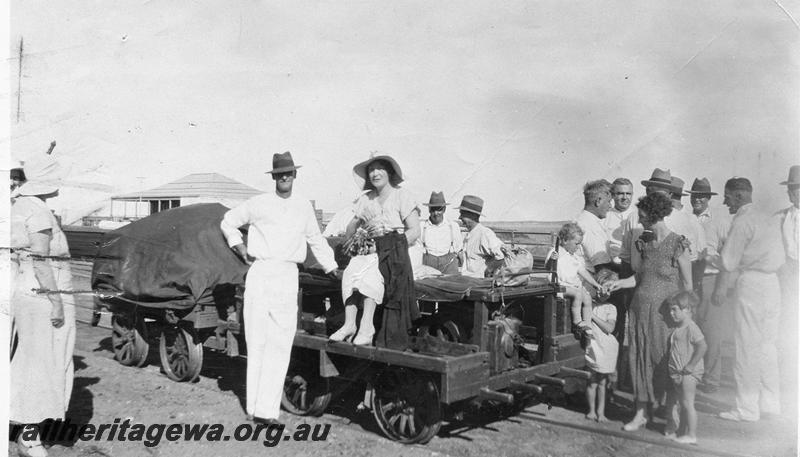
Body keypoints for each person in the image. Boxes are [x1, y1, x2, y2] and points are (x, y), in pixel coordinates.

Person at [220, 151, 339, 423]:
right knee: (257, 340)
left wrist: (332, 268)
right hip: (261, 272)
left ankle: (267, 411)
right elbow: (228, 221)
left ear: (295, 174)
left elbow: (316, 239)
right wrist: (238, 247)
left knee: (280, 344)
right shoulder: (259, 203)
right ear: (273, 177)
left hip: (287, 275)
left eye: (288, 172)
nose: (284, 177)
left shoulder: (303, 206)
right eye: (278, 173)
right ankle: (254, 407)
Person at [606, 192, 692, 432]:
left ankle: (670, 413)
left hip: (665, 318)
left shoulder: (678, 244)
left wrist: (685, 320)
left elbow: (688, 286)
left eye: (643, 217)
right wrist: (619, 283)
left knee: (666, 364)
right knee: (640, 362)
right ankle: (641, 413)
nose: (640, 221)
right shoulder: (646, 243)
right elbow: (640, 277)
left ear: (654, 215)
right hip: (639, 313)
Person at [10, 178, 75, 457]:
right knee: (46, 362)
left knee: (32, 359)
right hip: (46, 292)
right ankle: (29, 438)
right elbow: (40, 260)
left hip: (27, 289)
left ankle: (28, 430)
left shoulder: (21, 205)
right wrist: (56, 302)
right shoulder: (37, 211)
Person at [330, 153, 421, 348]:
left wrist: (393, 244)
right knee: (351, 272)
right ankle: (349, 324)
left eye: (379, 168)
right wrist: (358, 220)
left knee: (371, 275)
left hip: (399, 252)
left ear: (389, 172)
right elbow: (349, 233)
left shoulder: (402, 196)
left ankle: (366, 327)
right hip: (372, 250)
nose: (375, 173)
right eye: (371, 169)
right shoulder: (366, 199)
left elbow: (415, 231)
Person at [717, 177, 784, 422]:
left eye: (728, 196)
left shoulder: (743, 221)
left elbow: (728, 262)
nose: (725, 202)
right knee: (768, 345)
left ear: (739, 195)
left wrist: (716, 253)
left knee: (746, 345)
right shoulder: (770, 218)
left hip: (752, 283)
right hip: (773, 283)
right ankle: (770, 404)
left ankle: (746, 409)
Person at [686, 177, 732, 394]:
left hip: (710, 280)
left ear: (709, 199)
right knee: (690, 328)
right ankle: (692, 374)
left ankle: (712, 380)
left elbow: (729, 254)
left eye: (702, 196)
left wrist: (723, 284)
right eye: (695, 195)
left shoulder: (719, 221)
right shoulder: (684, 219)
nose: (698, 199)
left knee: (712, 332)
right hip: (688, 281)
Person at [663, 291, 707, 445]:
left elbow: (702, 346)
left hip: (688, 372)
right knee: (682, 403)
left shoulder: (691, 327)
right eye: (670, 309)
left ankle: (692, 434)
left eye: (675, 309)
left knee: (688, 403)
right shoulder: (678, 328)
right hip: (678, 372)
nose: (671, 313)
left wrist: (691, 365)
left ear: (687, 309)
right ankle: (681, 432)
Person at [777, 165, 800, 415]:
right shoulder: (782, 216)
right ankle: (788, 384)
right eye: (791, 189)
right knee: (786, 329)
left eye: (797, 189)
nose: (793, 194)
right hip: (788, 275)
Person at [584, 270, 619, 423]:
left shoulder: (611, 308)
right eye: (604, 288)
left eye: (610, 289)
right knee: (591, 381)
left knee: (602, 382)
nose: (606, 292)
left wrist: (592, 315)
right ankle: (591, 411)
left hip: (605, 347)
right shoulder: (588, 303)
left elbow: (609, 328)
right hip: (593, 345)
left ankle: (601, 412)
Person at [555, 222, 603, 331]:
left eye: (580, 244)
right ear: (565, 241)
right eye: (576, 244)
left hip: (572, 286)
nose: (578, 247)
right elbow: (549, 266)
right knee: (577, 294)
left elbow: (583, 272)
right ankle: (577, 320)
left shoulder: (574, 257)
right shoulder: (557, 253)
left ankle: (587, 324)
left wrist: (596, 285)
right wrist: (553, 258)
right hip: (560, 285)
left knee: (587, 296)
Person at [457, 195, 505, 278]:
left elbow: (501, 256)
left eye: (463, 214)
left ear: (473, 216)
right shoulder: (469, 235)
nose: (459, 217)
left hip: (478, 284)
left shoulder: (485, 234)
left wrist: (489, 270)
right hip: (467, 281)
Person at [419, 191, 462, 274]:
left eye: (439, 210)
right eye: (433, 210)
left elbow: (459, 251)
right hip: (428, 267)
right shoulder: (422, 226)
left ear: (444, 209)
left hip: (449, 268)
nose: (436, 213)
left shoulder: (453, 226)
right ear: (429, 210)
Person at [575, 179, 613, 273]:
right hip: (589, 284)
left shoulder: (581, 220)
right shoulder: (590, 225)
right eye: (608, 201)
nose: (610, 206)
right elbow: (602, 266)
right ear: (598, 201)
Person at [606, 177, 635, 263]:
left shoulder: (639, 216)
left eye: (628, 193)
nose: (625, 197)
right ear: (613, 195)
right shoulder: (605, 216)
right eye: (620, 193)